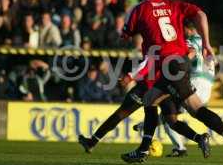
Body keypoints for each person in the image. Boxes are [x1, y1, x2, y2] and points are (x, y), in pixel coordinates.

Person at [120, 0, 223, 165]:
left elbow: (125, 35)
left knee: (196, 110)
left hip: (170, 64)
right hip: (178, 62)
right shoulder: (173, 6)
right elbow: (201, 14)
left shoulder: (139, 9)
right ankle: (142, 150)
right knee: (150, 99)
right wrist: (207, 43)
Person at [78, 55, 210, 157]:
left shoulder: (153, 40)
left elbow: (147, 63)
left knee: (120, 114)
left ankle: (92, 142)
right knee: (172, 121)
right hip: (166, 88)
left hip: (148, 87)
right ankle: (199, 139)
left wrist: (130, 77)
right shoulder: (171, 42)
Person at [133, 20, 215, 157]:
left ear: (187, 29)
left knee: (168, 115)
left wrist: (179, 65)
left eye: (181, 30)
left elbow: (191, 53)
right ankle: (181, 145)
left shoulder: (191, 41)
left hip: (194, 83)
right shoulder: (204, 41)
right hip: (206, 85)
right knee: (169, 113)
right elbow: (211, 60)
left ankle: (180, 146)